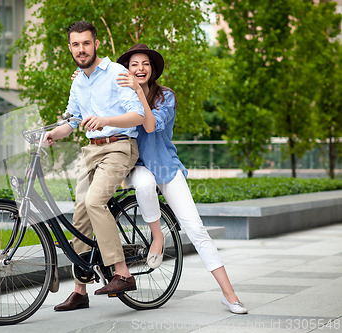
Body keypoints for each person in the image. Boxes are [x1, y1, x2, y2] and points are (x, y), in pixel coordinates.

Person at [115, 43, 248, 314]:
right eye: (134, 65)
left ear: (152, 69)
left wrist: (139, 92)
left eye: (145, 64)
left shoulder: (166, 97)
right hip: (137, 165)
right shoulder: (118, 96)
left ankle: (229, 294)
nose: (140, 68)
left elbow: (150, 125)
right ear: (127, 70)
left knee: (196, 229)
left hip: (166, 166)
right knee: (143, 183)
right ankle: (157, 237)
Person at [43, 21, 145, 312]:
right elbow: (72, 122)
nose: (81, 49)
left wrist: (105, 120)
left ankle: (123, 273)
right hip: (91, 151)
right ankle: (80, 290)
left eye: (86, 43)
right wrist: (51, 133)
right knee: (80, 217)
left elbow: (137, 115)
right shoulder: (78, 81)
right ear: (70, 48)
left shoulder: (116, 73)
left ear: (96, 43)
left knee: (95, 201)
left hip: (119, 146)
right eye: (75, 44)